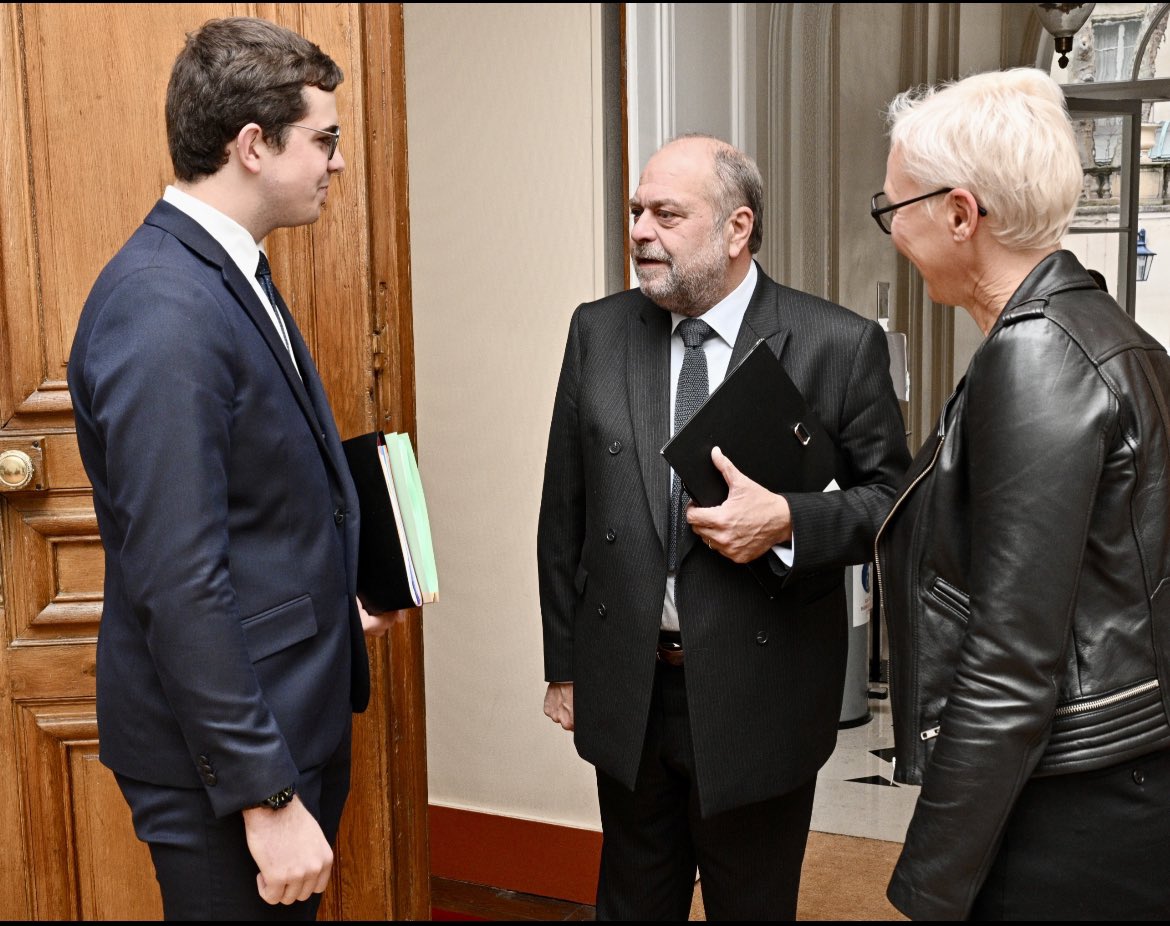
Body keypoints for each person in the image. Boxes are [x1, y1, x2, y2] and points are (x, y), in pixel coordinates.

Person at [67, 16, 399, 920]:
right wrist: (268, 794)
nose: (337, 162)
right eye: (324, 140)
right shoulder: (162, 306)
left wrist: (336, 592)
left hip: (284, 710)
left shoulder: (224, 271)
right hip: (229, 762)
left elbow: (252, 505)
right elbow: (177, 576)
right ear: (253, 145)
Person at [537, 133, 910, 920]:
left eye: (667, 214)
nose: (640, 229)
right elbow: (563, 511)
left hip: (761, 696)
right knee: (632, 904)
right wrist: (565, 663)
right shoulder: (598, 332)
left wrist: (787, 521)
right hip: (631, 690)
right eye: (636, 210)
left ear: (737, 230)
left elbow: (894, 506)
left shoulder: (838, 346)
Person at [873, 67, 1170, 920]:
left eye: (894, 210)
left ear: (961, 214)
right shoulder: (1114, 334)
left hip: (1075, 803)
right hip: (1123, 779)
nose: (893, 230)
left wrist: (928, 882)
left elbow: (1011, 659)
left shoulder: (1033, 356)